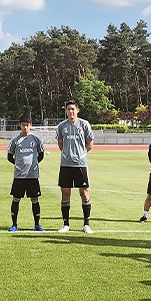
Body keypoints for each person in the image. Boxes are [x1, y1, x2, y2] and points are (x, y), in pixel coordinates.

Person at [56, 100, 94, 234]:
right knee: (65, 193)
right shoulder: (62, 126)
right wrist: (68, 155)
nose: (70, 111)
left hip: (80, 165)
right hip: (66, 165)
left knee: (84, 192)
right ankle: (66, 224)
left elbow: (90, 144)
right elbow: (60, 144)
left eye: (72, 109)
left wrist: (80, 155)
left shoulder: (84, 124)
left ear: (77, 110)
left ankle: (86, 224)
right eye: (68, 109)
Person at [7, 114, 45, 232]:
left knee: (35, 199)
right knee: (16, 199)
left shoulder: (36, 139)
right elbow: (9, 156)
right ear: (20, 125)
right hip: (19, 175)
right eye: (23, 125)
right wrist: (19, 165)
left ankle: (37, 224)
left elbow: (41, 154)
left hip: (32, 175)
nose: (25, 128)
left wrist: (33, 164)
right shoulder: (15, 140)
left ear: (31, 125)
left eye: (27, 125)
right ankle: (14, 225)